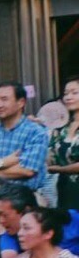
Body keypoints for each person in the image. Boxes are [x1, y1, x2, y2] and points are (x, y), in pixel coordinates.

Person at [0, 81, 53, 204]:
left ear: (21, 102)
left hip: (23, 201)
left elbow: (26, 170)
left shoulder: (36, 132)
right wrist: (4, 162)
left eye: (4, 99)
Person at [50, 78, 79, 249]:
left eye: (74, 93)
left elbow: (55, 166)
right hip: (65, 192)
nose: (68, 97)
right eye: (66, 93)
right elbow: (50, 158)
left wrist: (60, 169)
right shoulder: (60, 128)